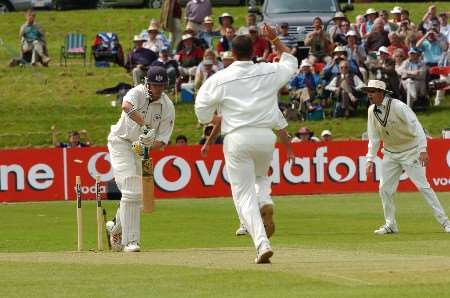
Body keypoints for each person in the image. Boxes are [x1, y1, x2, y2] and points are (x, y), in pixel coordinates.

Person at [195, 25, 296, 264]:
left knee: (242, 194)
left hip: (238, 137)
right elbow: (291, 61)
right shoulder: (268, 70)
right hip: (265, 137)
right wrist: (273, 38)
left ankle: (261, 243)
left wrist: (212, 118)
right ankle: (266, 201)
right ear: (253, 50)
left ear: (232, 52)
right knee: (260, 177)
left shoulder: (220, 78)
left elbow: (201, 110)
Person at [363, 79, 450, 235]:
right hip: (390, 153)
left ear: (382, 93)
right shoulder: (371, 110)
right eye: (368, 91)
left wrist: (423, 149)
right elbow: (374, 137)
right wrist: (370, 158)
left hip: (411, 151)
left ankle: (445, 222)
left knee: (424, 187)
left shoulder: (399, 106)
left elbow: (416, 126)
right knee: (384, 189)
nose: (369, 94)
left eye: (373, 91)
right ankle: (390, 224)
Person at [106, 67, 175, 252]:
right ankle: (131, 241)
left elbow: (162, 142)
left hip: (140, 150)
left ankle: (115, 229)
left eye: (161, 85)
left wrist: (147, 143)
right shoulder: (136, 92)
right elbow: (126, 107)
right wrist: (145, 126)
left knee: (134, 195)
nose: (158, 89)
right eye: (154, 84)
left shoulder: (167, 107)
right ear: (147, 83)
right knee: (131, 187)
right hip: (120, 142)